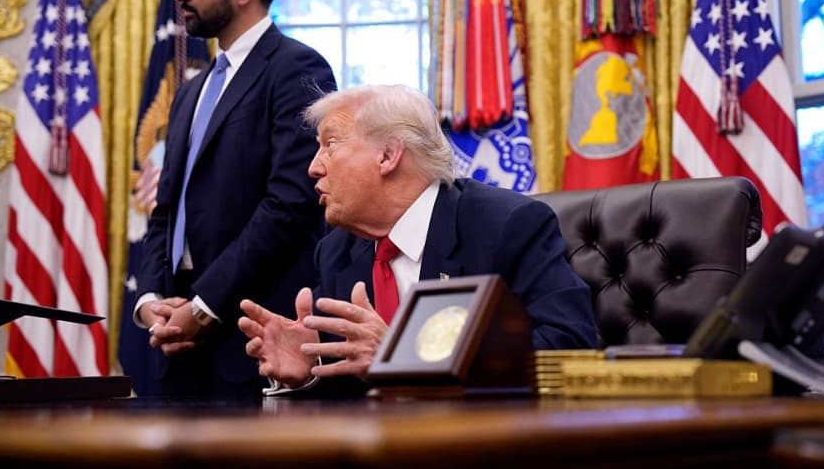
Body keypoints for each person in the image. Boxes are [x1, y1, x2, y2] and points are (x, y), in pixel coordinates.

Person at [238, 84, 597, 397]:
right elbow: (357, 386)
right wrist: (309, 369)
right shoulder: (336, 252)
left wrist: (403, 355)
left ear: (388, 155)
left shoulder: (507, 226)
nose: (314, 167)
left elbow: (571, 350)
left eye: (329, 144)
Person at [134, 0, 336, 400]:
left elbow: (289, 204)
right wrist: (151, 300)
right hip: (176, 341)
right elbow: (165, 210)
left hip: (251, 339)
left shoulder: (297, 68)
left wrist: (204, 306)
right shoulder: (191, 91)